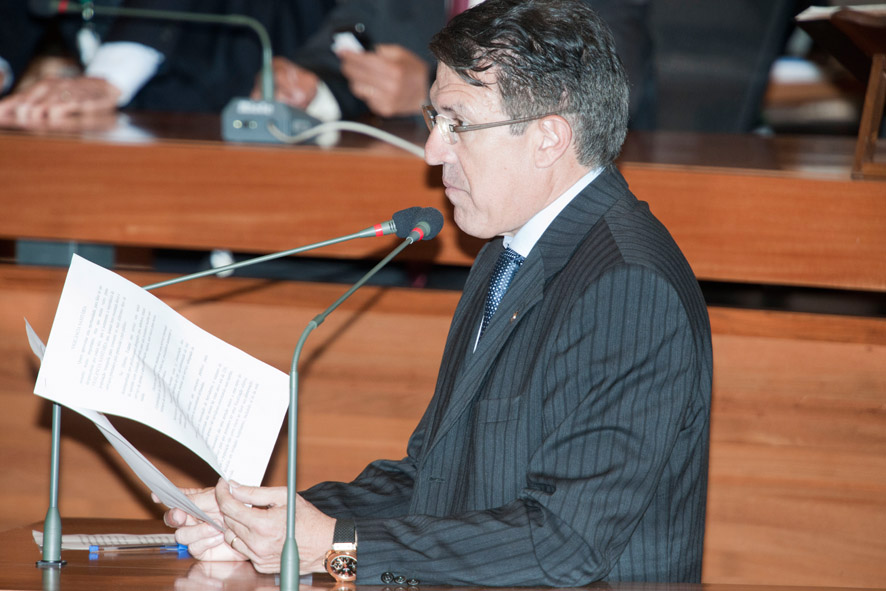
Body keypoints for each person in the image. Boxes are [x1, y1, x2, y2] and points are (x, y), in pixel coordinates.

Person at [163, 0, 713, 585]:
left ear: (549, 137)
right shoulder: (508, 252)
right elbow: (431, 477)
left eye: (458, 124)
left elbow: (564, 542)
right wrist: (271, 523)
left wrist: (338, 548)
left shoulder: (627, 288)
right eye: (434, 119)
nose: (432, 152)